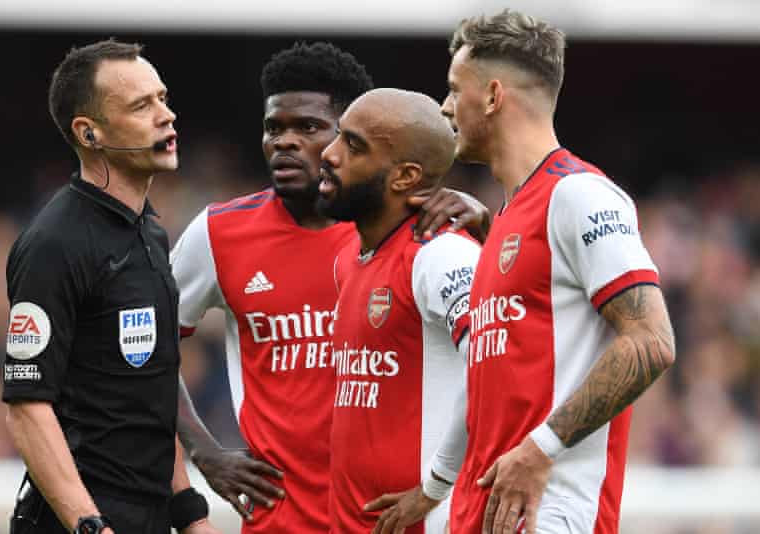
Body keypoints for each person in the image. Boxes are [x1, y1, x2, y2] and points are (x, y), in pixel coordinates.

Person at [168, 42, 490, 534]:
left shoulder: (407, 236)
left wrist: (485, 226)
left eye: (310, 128)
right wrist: (204, 451)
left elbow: (499, 335)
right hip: (281, 520)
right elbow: (143, 344)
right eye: (274, 128)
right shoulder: (217, 234)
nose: (285, 142)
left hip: (395, 516)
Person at [436, 10, 676, 534]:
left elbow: (652, 341)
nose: (445, 106)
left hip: (550, 511)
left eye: (455, 89)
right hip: (487, 512)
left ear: (494, 96)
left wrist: (539, 451)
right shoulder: (507, 218)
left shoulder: (579, 194)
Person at [2, 40, 212, 534]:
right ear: (89, 132)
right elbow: (28, 408)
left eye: (162, 98)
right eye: (143, 105)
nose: (168, 116)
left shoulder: (151, 234)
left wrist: (190, 516)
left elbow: (150, 396)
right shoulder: (54, 243)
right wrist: (90, 526)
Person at [317, 88, 480, 534]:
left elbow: (493, 368)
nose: (328, 154)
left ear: (405, 176)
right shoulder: (348, 258)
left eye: (353, 145)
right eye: (337, 137)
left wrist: (436, 484)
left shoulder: (442, 255)